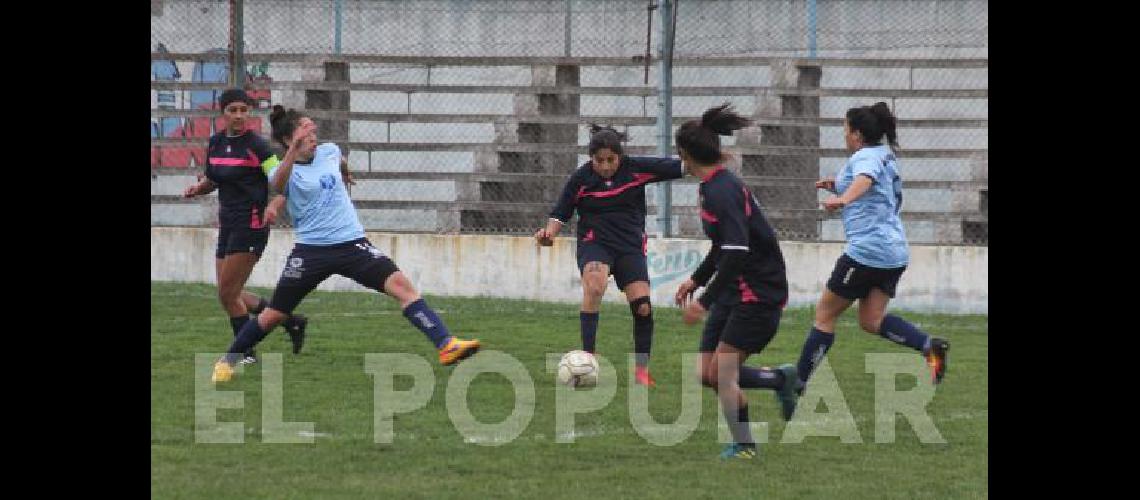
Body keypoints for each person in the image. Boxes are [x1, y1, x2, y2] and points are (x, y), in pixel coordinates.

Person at [211, 106, 481, 382]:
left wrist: (345, 172)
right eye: (306, 133)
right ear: (290, 140)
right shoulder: (284, 171)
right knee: (273, 315)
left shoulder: (328, 151)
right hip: (311, 252)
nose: (314, 137)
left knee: (404, 289)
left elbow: (337, 160)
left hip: (352, 245)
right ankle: (228, 361)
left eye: (314, 131)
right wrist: (293, 150)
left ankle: (446, 344)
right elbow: (279, 186)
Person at [787, 102, 950, 416]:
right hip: (895, 252)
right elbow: (874, 182)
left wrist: (842, 199)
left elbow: (866, 180)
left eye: (846, 130)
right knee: (871, 321)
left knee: (824, 315)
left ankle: (797, 384)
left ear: (857, 134)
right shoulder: (885, 155)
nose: (844, 136)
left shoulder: (863, 158)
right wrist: (838, 183)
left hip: (867, 252)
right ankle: (928, 346)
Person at [672, 104, 799, 460]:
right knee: (705, 373)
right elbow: (724, 247)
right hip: (734, 290)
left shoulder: (721, 191)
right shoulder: (711, 187)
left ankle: (745, 446)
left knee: (723, 373)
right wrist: (696, 280)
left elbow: (737, 252)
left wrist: (704, 300)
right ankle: (779, 380)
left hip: (757, 293)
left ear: (684, 154)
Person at [535, 125, 684, 387]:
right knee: (595, 284)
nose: (605, 166)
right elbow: (560, 213)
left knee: (643, 307)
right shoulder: (581, 179)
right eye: (598, 160)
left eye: (611, 160)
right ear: (591, 159)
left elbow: (678, 167)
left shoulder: (635, 168)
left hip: (629, 246)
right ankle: (588, 358)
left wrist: (707, 163)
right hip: (596, 243)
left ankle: (641, 371)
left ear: (620, 157)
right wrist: (549, 234)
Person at [182, 89, 308, 364]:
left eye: (244, 110)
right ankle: (290, 321)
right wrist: (199, 188)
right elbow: (214, 179)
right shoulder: (215, 143)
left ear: (249, 112)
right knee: (230, 293)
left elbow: (279, 178)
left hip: (251, 225)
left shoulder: (257, 145)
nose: (239, 115)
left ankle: (245, 352)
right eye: (233, 110)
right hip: (227, 224)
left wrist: (275, 204)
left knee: (228, 293)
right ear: (222, 113)